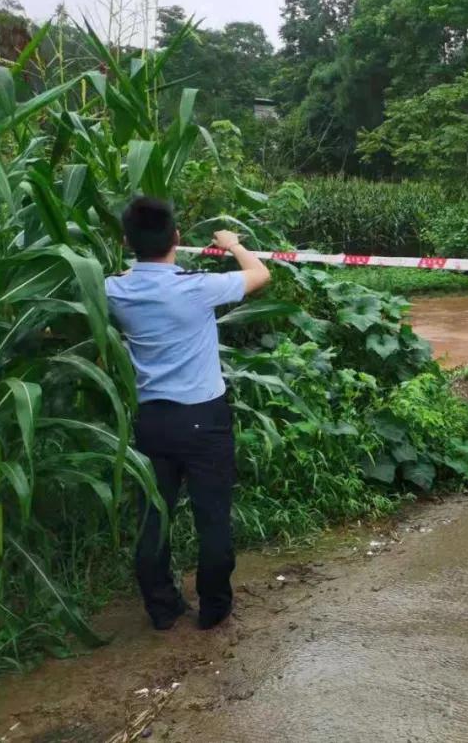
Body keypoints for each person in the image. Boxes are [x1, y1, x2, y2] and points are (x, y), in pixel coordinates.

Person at [105, 196, 271, 630]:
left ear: (127, 242)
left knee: (152, 518)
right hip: (204, 420)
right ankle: (213, 608)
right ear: (176, 237)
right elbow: (260, 275)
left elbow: (113, 284)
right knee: (212, 515)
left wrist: (129, 270)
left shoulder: (112, 289)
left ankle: (162, 609)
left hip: (151, 421)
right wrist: (233, 243)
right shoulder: (196, 287)